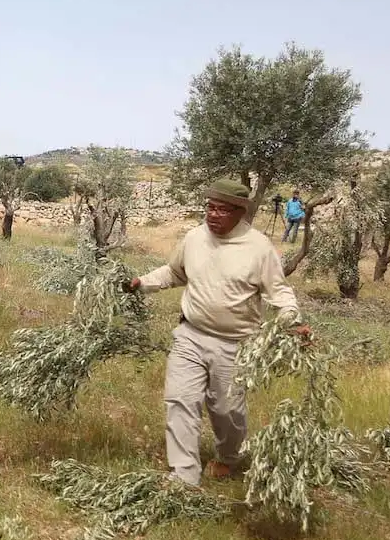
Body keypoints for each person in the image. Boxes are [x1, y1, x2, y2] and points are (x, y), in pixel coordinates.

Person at [121, 178, 311, 486]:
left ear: (240, 212)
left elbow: (280, 292)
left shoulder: (259, 248)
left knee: (226, 410)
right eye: (210, 207)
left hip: (236, 344)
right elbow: (174, 272)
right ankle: (184, 476)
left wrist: (291, 321)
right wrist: (142, 283)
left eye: (222, 210)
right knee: (180, 400)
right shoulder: (194, 238)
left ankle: (229, 456)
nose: (213, 215)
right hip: (190, 335)